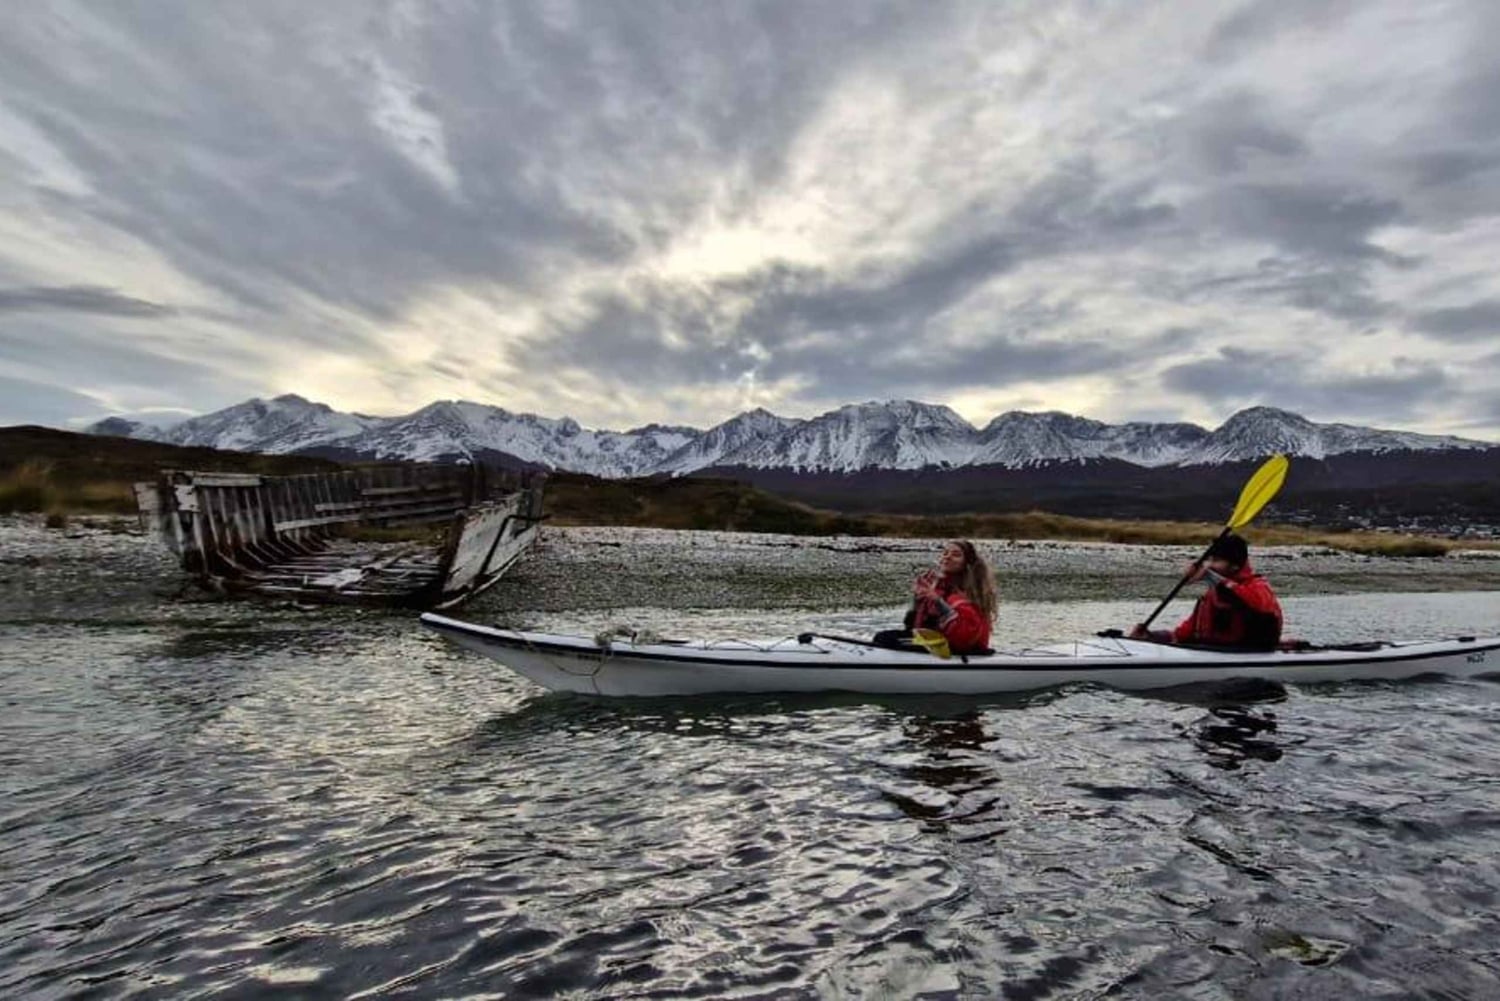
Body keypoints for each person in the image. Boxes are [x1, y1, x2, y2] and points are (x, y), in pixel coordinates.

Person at [1129, 533, 1283, 650]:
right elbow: (1186, 633)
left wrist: (1209, 575)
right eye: (1210, 560)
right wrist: (1152, 636)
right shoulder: (1213, 593)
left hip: (1249, 653)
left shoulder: (1258, 588)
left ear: (1235, 566)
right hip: (1215, 652)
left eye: (1216, 560)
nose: (1209, 565)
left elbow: (1244, 600)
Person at [874, 540, 998, 655]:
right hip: (935, 640)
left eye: (956, 555)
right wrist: (917, 600)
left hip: (958, 647)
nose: (947, 557)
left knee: (886, 640)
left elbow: (962, 638)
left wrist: (937, 600)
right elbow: (912, 626)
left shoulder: (967, 594)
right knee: (883, 637)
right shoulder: (936, 586)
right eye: (945, 553)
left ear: (967, 563)